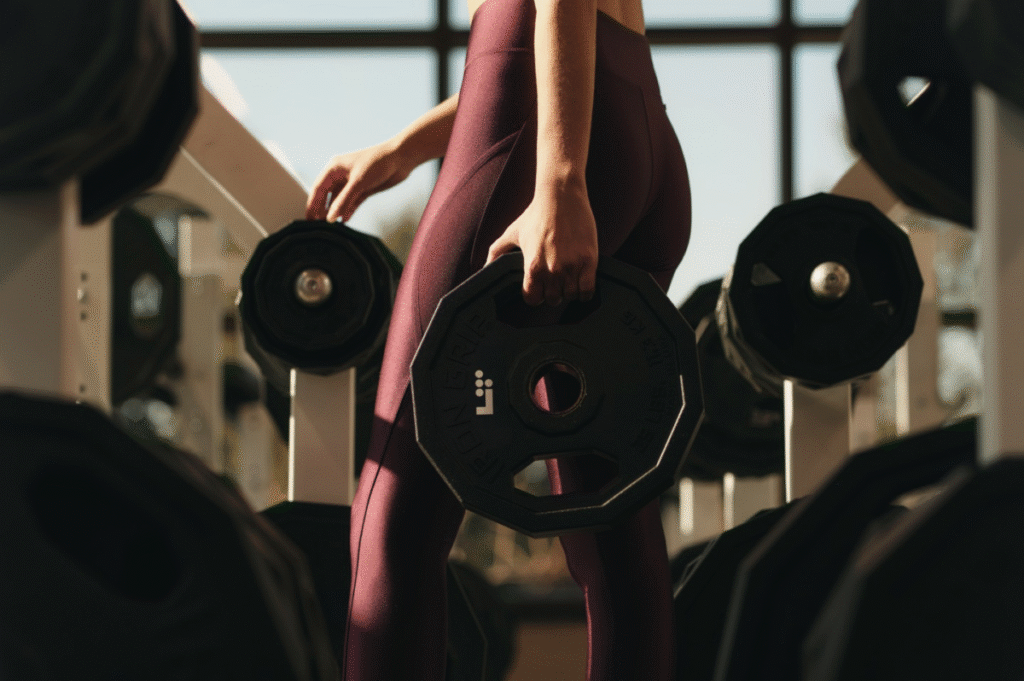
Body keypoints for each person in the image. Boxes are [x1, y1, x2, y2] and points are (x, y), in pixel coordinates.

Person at [305, 0, 691, 677]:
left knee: (391, 514)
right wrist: (406, 147)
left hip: (550, 134)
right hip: (637, 121)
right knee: (611, 526)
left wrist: (562, 181)